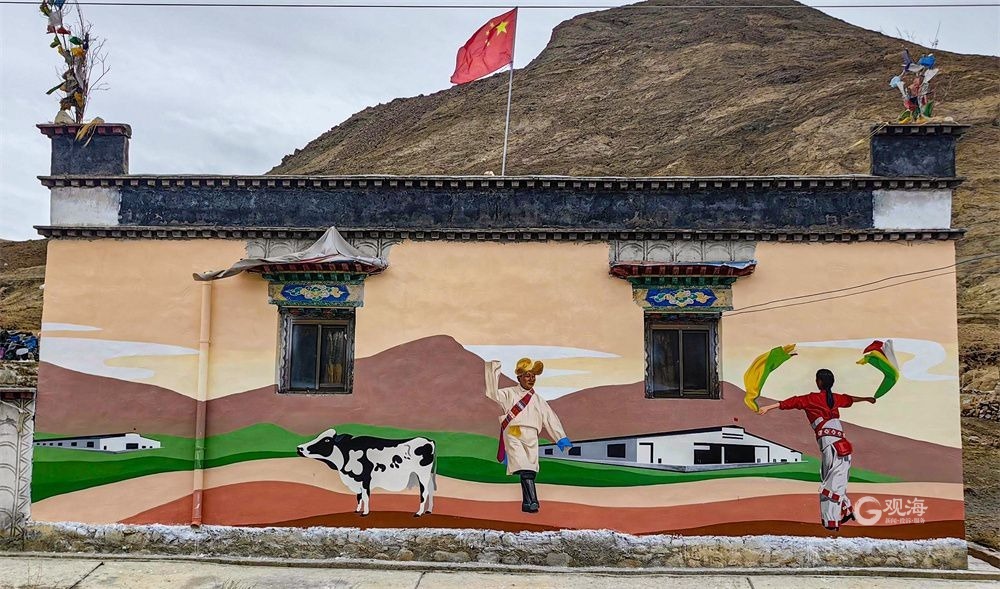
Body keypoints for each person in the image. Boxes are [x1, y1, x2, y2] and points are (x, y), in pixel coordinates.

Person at [757, 368, 876, 531]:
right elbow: (849, 399)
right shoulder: (834, 398)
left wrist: (768, 407)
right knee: (835, 479)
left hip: (830, 444)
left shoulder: (812, 399)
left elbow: (791, 402)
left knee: (830, 482)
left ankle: (831, 521)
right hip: (840, 442)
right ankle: (845, 510)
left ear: (818, 382)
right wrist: (866, 399)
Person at [484, 357, 572, 513]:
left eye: (533, 376)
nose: (531, 379)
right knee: (524, 468)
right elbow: (492, 393)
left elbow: (550, 419)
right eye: (527, 375)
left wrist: (561, 438)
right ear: (519, 377)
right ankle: (533, 502)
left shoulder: (538, 400)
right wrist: (493, 369)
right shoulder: (509, 393)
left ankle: (527, 503)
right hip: (514, 433)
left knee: (530, 470)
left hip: (532, 436)